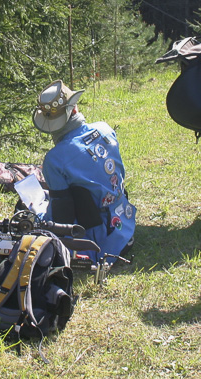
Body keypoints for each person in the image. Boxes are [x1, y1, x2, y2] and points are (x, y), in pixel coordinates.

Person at [33, 80, 135, 265]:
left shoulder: (54, 159)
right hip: (125, 225)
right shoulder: (105, 128)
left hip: (98, 243)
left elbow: (61, 215)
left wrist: (39, 218)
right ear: (74, 109)